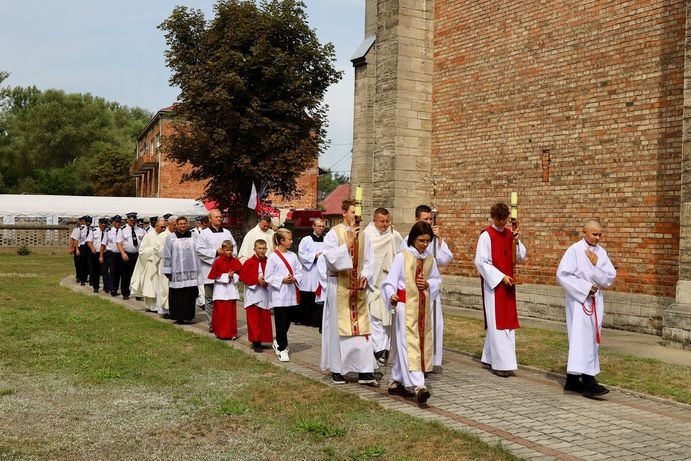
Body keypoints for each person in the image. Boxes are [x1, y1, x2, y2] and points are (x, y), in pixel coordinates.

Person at [382, 221, 441, 404]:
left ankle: (396, 382)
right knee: (410, 344)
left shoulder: (430, 259)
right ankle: (419, 385)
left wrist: (429, 284)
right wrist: (391, 295)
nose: (424, 244)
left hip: (422, 308)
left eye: (427, 241)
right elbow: (390, 281)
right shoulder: (403, 257)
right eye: (421, 240)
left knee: (410, 345)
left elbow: (437, 279)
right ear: (413, 239)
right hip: (404, 306)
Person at [556, 218, 616, 398]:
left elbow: (609, 278)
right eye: (594, 234)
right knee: (580, 339)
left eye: (600, 234)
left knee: (591, 338)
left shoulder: (601, 253)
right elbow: (562, 274)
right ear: (584, 232)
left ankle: (572, 380)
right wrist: (584, 288)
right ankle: (589, 381)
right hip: (579, 300)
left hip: (595, 300)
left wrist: (597, 264)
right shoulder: (574, 250)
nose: (598, 238)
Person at [320, 199, 377, 386]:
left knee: (362, 329)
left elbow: (370, 261)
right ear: (344, 213)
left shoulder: (365, 236)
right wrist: (349, 241)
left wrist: (366, 276)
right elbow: (330, 259)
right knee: (339, 329)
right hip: (339, 287)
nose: (356, 216)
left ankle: (365, 370)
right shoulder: (333, 234)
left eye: (358, 213)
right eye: (353, 212)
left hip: (358, 289)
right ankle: (338, 369)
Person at [474, 202, 526, 377]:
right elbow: (481, 262)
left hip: (508, 284)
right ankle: (500, 364)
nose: (502, 223)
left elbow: (520, 257)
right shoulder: (486, 236)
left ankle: (490, 357)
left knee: (507, 322)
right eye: (499, 219)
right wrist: (500, 277)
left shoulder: (510, 234)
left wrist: (517, 242)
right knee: (498, 323)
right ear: (493, 217)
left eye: (504, 219)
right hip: (495, 285)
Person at [401, 205, 453, 370]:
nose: (429, 222)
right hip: (415, 292)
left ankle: (432, 360)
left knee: (433, 327)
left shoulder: (433, 239)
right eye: (426, 219)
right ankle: (416, 361)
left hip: (431, 289)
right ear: (417, 219)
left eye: (431, 219)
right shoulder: (408, 240)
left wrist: (440, 240)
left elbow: (445, 260)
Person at [364, 207, 403, 366]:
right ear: (374, 221)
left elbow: (401, 252)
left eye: (387, 221)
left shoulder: (394, 235)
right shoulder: (367, 235)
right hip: (373, 282)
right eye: (382, 221)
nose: (385, 224)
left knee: (388, 316)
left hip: (389, 281)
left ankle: (385, 349)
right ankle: (378, 348)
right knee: (375, 316)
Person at [265, 228, 303, 362]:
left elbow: (299, 271)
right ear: (281, 241)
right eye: (289, 239)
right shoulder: (273, 257)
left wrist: (295, 278)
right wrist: (282, 280)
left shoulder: (293, 255)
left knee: (288, 320)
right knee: (280, 321)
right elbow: (268, 277)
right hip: (279, 294)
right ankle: (282, 347)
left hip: (291, 294)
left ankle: (278, 340)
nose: (291, 241)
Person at [196, 209, 237, 332]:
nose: (219, 218)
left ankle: (222, 321)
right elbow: (199, 250)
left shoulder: (227, 233)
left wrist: (228, 256)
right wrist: (215, 252)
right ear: (210, 219)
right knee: (210, 298)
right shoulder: (204, 234)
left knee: (223, 297)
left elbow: (234, 248)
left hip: (225, 271)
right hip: (209, 269)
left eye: (220, 216)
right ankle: (211, 322)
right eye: (216, 217)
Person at [162, 216, 202, 324]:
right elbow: (166, 254)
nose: (183, 225)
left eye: (184, 223)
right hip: (177, 271)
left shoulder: (194, 236)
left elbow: (199, 250)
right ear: (177, 225)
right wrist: (167, 270)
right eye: (180, 224)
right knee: (178, 295)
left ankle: (188, 315)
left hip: (191, 270)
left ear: (187, 224)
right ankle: (178, 316)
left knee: (189, 294)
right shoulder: (171, 237)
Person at [240, 239, 273, 352]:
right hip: (253, 293)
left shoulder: (268, 261)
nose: (262, 251)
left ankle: (263, 338)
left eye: (264, 248)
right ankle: (256, 341)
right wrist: (256, 280)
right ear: (254, 249)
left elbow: (272, 275)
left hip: (264, 293)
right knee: (254, 318)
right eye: (259, 248)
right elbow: (243, 277)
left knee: (263, 317)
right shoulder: (249, 262)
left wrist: (266, 282)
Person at [207, 240, 243, 340]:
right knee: (220, 313)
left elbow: (240, 274)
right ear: (222, 250)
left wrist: (233, 276)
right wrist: (227, 275)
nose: (229, 252)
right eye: (227, 250)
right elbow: (215, 276)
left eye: (231, 250)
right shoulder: (218, 261)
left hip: (231, 290)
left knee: (231, 314)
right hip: (221, 291)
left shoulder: (235, 261)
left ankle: (232, 333)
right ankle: (220, 332)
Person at [130, 218, 167, 312]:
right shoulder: (148, 236)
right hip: (150, 263)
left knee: (159, 286)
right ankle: (149, 306)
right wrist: (153, 250)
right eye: (161, 227)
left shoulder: (165, 236)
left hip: (160, 264)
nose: (163, 229)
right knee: (150, 285)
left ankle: (158, 305)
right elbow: (142, 251)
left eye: (164, 227)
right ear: (156, 226)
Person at [297, 217, 326, 327]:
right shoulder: (306, 240)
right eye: (319, 226)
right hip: (309, 271)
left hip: (321, 273)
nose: (321, 228)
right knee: (308, 296)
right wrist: (315, 256)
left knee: (319, 297)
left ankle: (317, 321)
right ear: (313, 226)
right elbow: (301, 254)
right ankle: (306, 319)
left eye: (323, 226)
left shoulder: (327, 240)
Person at [117, 212, 145, 300]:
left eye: (134, 220)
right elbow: (118, 243)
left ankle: (137, 293)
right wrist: (123, 253)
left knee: (137, 274)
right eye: (131, 220)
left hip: (137, 254)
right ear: (127, 220)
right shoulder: (122, 229)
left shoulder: (141, 230)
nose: (133, 222)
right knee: (126, 274)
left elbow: (145, 240)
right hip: (126, 254)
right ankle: (125, 293)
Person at [101, 215, 123, 297]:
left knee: (118, 272)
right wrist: (101, 256)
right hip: (111, 254)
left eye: (119, 222)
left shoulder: (123, 231)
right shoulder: (108, 231)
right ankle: (112, 289)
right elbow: (103, 244)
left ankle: (116, 288)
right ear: (113, 222)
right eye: (116, 222)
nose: (118, 223)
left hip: (120, 254)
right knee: (112, 271)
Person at [87, 217, 109, 293]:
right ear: (99, 224)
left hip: (105, 253)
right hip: (95, 253)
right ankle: (96, 287)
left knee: (105, 271)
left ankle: (106, 287)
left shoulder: (108, 231)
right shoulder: (94, 231)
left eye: (105, 224)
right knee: (95, 271)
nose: (104, 226)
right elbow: (89, 241)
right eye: (102, 224)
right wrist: (92, 247)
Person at [69, 215, 91, 285]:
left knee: (86, 264)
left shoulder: (91, 229)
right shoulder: (78, 229)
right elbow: (74, 239)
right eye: (81, 221)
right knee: (78, 263)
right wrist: (71, 248)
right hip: (79, 247)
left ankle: (84, 277)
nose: (82, 222)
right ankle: (79, 276)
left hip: (87, 248)